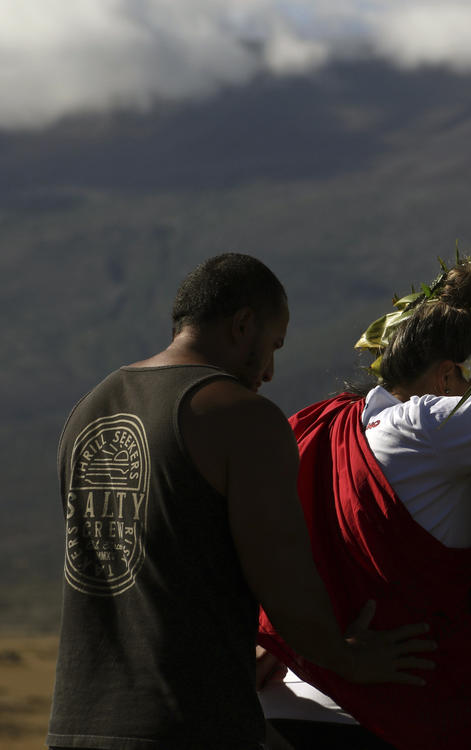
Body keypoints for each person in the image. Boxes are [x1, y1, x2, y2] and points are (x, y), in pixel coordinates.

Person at [48, 253, 435, 750]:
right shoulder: (241, 417)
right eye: (272, 345)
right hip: (187, 728)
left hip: (75, 724)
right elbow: (283, 579)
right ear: (243, 324)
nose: (270, 371)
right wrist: (351, 658)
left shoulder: (90, 408)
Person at [257, 267, 471, 750]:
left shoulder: (328, 422)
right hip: (381, 715)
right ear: (445, 375)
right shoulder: (432, 421)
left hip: (282, 703)